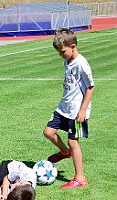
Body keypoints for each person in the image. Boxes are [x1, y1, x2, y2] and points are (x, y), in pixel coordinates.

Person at [43, 28, 95, 189]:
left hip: (77, 111)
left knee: (73, 141)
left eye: (62, 51)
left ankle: (80, 178)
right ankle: (65, 152)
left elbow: (91, 87)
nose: (61, 55)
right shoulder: (68, 61)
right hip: (63, 107)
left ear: (73, 46)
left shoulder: (82, 64)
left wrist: (83, 110)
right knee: (48, 132)